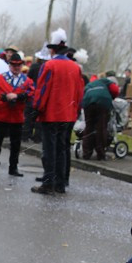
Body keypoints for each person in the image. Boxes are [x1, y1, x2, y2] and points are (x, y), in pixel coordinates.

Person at [31, 29, 84, 196]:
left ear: (52, 49)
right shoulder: (75, 68)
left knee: (49, 150)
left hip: (51, 114)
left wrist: (37, 108)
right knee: (62, 149)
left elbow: (43, 90)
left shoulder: (49, 65)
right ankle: (60, 183)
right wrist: (75, 110)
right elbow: (78, 92)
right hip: (68, 114)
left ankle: (48, 183)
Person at [0, 52, 34, 177]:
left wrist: (18, 96)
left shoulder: (27, 81)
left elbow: (31, 94)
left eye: (18, 65)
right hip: (1, 115)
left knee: (16, 144)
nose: (16, 67)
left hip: (17, 116)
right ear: (9, 65)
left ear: (22, 65)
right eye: (13, 65)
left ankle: (13, 167)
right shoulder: (0, 78)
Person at [80, 71, 120, 161]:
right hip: (102, 103)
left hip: (88, 102)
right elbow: (115, 90)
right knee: (101, 128)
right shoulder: (106, 81)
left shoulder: (90, 84)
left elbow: (83, 94)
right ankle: (100, 153)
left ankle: (86, 153)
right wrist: (112, 97)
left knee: (89, 127)